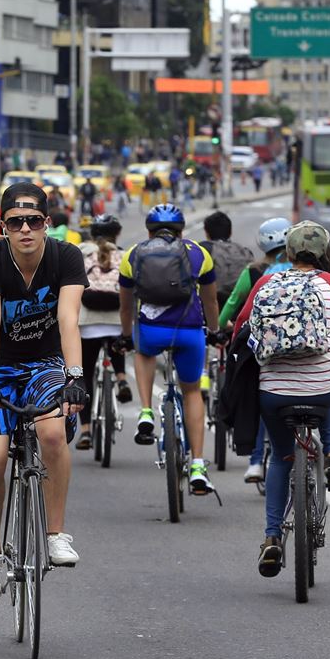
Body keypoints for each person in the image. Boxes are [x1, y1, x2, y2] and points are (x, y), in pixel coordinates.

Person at [232, 221, 330, 578]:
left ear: (289, 253)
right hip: (324, 386)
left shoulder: (266, 282)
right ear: (326, 253)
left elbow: (240, 329)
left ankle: (271, 538)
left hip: (273, 393)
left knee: (281, 458)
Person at [0, 182, 88, 605]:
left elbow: (69, 320)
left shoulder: (66, 257)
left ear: (47, 224)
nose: (25, 230)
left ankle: (56, 532)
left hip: (45, 365)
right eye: (15, 222)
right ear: (3, 227)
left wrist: (75, 376)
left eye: (33, 221)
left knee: (52, 433)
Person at [114, 203, 220, 495]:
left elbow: (125, 306)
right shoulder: (200, 254)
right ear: (182, 230)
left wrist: (126, 335)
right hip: (189, 333)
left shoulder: (133, 254)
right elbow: (211, 303)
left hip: (150, 332)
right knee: (192, 393)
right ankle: (198, 464)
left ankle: (146, 410)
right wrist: (214, 331)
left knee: (143, 351)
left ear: (149, 230)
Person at [220, 217, 291, 483]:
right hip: (306, 351)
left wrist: (226, 327)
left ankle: (255, 462)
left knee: (261, 398)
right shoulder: (308, 270)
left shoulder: (255, 272)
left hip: (265, 348)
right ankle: (329, 450)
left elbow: (234, 307)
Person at [74, 214, 131, 451]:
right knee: (115, 344)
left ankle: (85, 430)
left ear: (92, 234)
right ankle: (121, 378)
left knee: (85, 373)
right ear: (116, 235)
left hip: (88, 320)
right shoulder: (125, 255)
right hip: (116, 317)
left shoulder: (81, 252)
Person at [198, 211, 255, 308]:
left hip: (215, 307)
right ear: (230, 232)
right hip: (242, 307)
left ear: (206, 232)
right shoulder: (245, 251)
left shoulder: (202, 249)